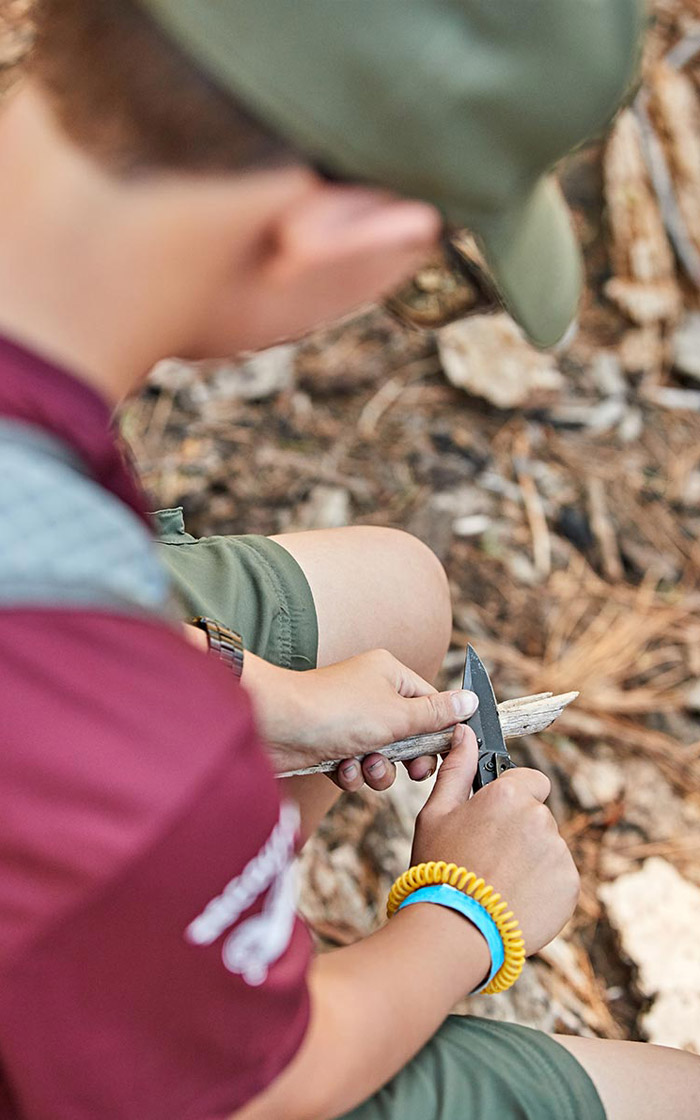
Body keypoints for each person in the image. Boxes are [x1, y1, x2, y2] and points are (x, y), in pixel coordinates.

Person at [0, 1, 698, 1118]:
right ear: (333, 240)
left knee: (386, 600)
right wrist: (468, 913)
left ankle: (209, 946)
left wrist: (245, 685)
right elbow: (252, 1092)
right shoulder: (123, 739)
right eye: (434, 273)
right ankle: (202, 972)